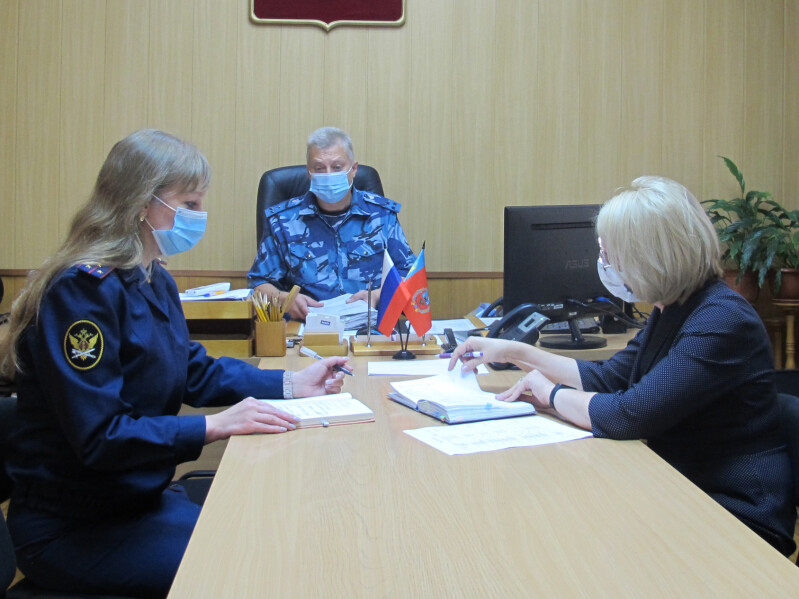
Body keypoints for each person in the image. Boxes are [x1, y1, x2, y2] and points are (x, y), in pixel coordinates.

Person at [0, 129, 350, 598]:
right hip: (74, 527)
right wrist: (212, 427)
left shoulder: (152, 279)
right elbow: (101, 436)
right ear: (142, 204)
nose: (199, 216)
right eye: (189, 203)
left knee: (273, 538)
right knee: (252, 573)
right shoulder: (80, 294)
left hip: (135, 500)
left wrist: (291, 383)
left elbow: (193, 370)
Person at [449, 176, 797, 556]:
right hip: (681, 487)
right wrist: (517, 352)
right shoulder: (674, 308)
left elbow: (630, 414)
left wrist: (551, 394)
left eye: (610, 254)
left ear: (650, 258)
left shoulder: (722, 319)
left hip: (734, 510)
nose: (604, 264)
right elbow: (610, 378)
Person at [247, 126, 416, 320]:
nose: (328, 175)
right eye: (319, 168)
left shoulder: (382, 215)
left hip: (369, 329)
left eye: (337, 167)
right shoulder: (283, 220)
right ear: (309, 173)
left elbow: (410, 274)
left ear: (354, 169)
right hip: (306, 328)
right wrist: (284, 299)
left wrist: (378, 296)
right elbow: (259, 284)